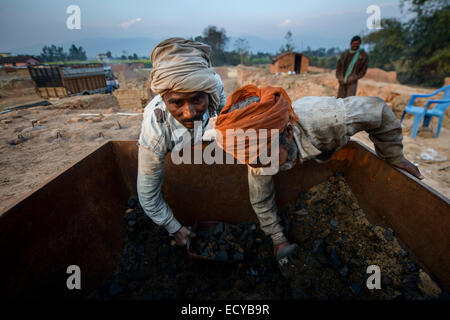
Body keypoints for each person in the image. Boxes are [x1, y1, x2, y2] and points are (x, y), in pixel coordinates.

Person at [213, 84, 423, 271]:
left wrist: (394, 156)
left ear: (287, 133)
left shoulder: (326, 120)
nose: (263, 166)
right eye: (255, 161)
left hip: (320, 127)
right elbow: (261, 199)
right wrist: (278, 240)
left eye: (267, 158)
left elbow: (378, 109)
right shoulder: (257, 156)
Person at [137, 38, 226, 246]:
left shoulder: (215, 89)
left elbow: (224, 114)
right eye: (176, 102)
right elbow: (148, 197)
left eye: (197, 99)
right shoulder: (155, 132)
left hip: (197, 137)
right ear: (164, 98)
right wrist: (174, 227)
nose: (189, 112)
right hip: (171, 141)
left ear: (208, 93)